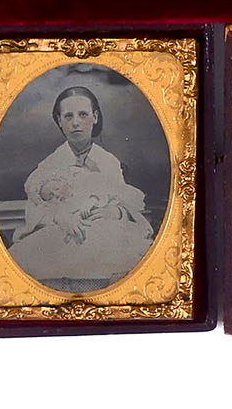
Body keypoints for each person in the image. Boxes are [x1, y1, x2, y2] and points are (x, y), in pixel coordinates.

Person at [8, 86, 154, 291]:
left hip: (105, 235)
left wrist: (114, 212)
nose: (75, 122)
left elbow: (124, 199)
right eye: (68, 116)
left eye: (83, 114)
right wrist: (58, 216)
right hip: (62, 238)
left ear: (95, 117)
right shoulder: (50, 165)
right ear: (59, 121)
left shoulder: (108, 162)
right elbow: (35, 207)